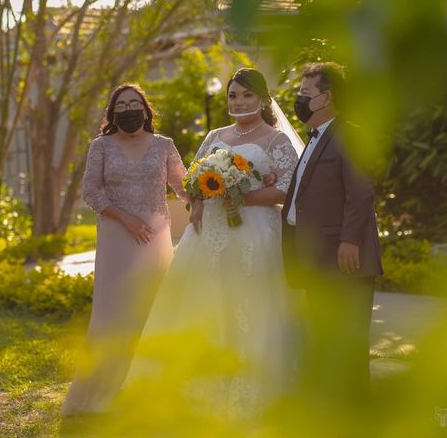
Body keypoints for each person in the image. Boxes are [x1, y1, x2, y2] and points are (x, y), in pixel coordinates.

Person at [123, 68, 304, 419]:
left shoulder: (275, 140)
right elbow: (193, 178)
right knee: (205, 300)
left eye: (246, 95)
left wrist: (245, 197)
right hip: (207, 234)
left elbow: (286, 187)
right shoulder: (215, 135)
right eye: (233, 95)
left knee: (249, 305)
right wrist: (201, 200)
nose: (238, 102)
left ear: (263, 99)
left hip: (254, 235)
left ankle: (254, 386)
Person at [61, 83, 188, 415]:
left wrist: (209, 199)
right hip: (117, 238)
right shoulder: (100, 146)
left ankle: (148, 388)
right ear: (112, 113)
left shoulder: (164, 145)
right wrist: (127, 219)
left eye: (136, 103)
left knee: (151, 309)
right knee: (113, 313)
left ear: (146, 111)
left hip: (155, 240)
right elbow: (92, 192)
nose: (129, 109)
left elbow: (182, 185)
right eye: (122, 105)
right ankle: (103, 390)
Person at [281, 62, 383, 404]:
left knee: (350, 339)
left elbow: (360, 191)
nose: (299, 99)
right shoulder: (316, 139)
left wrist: (350, 240)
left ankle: (358, 414)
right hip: (316, 258)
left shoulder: (350, 133)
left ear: (326, 97)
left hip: (345, 257)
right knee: (326, 337)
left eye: (305, 93)